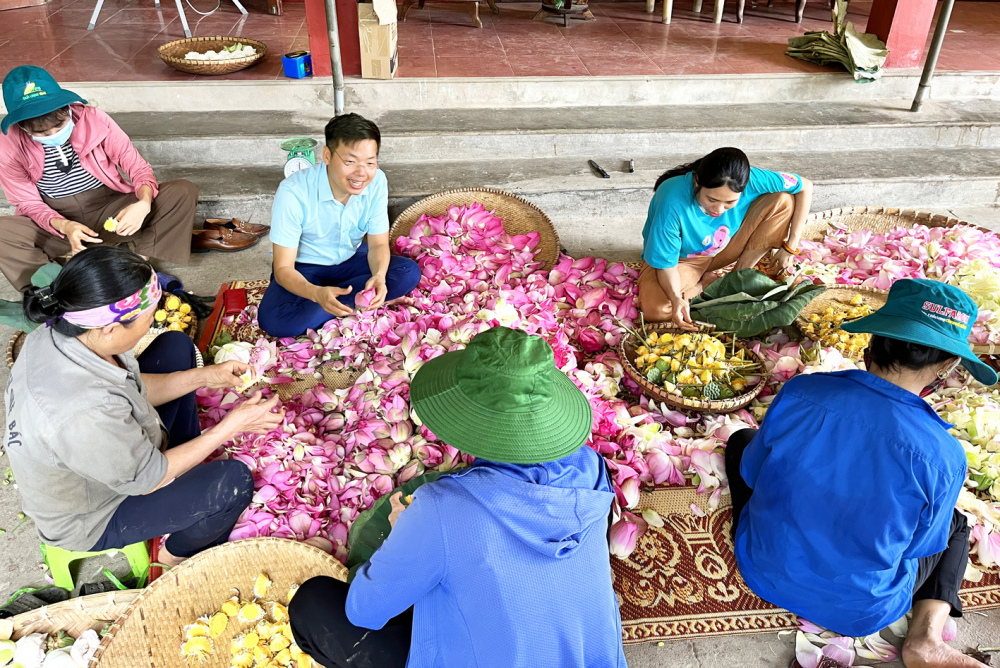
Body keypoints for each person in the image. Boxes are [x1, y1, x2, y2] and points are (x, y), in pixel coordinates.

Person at [288, 326, 627, 668]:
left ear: (467, 417)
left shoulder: (440, 507)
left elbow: (365, 610)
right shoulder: (591, 468)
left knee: (313, 604)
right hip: (587, 658)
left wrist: (402, 530)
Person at [728, 279, 996, 668]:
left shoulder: (802, 392)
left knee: (742, 441)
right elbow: (921, 547)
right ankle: (925, 637)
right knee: (955, 524)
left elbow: (753, 474)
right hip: (860, 609)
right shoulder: (944, 456)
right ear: (948, 364)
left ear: (876, 340)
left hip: (763, 570)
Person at [4, 246, 284, 567]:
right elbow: (147, 478)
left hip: (113, 449)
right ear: (110, 328)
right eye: (148, 318)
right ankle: (173, 556)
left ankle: (187, 468)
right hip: (97, 512)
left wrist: (206, 375)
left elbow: (131, 389)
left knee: (176, 345)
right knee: (233, 484)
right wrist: (231, 426)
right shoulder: (82, 411)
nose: (152, 323)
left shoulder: (64, 330)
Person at [0, 65, 198, 292]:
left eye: (59, 125)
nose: (54, 135)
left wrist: (143, 203)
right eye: (42, 134)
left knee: (182, 191)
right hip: (55, 220)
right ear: (22, 126)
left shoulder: (93, 119)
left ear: (65, 108)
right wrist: (65, 226)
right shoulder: (8, 143)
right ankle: (58, 293)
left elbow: (135, 165)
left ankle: (138, 269)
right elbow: (28, 203)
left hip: (108, 208)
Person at [257, 113, 420, 338]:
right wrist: (315, 294)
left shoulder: (377, 181)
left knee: (407, 271)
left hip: (350, 260)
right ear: (327, 155)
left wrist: (379, 276)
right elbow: (283, 269)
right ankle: (349, 303)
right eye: (350, 162)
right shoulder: (293, 191)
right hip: (304, 268)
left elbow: (378, 244)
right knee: (275, 321)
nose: (361, 173)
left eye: (370, 163)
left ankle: (335, 306)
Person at [639, 147, 813, 329]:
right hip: (682, 261)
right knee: (657, 311)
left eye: (730, 203)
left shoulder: (755, 179)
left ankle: (737, 277)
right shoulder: (672, 198)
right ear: (697, 182)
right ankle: (704, 286)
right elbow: (666, 265)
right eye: (711, 200)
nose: (719, 210)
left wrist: (790, 246)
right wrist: (675, 298)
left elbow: (805, 186)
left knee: (783, 201)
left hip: (724, 247)